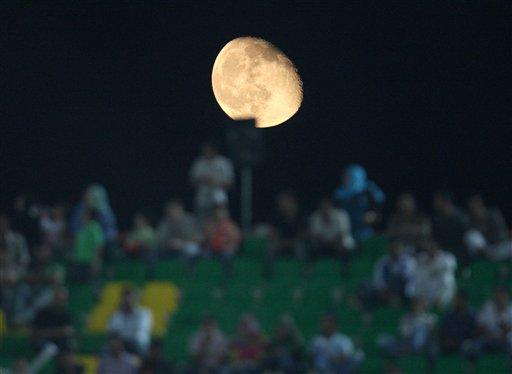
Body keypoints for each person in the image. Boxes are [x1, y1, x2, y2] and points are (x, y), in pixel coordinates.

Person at [377, 299, 437, 371]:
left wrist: (420, 326)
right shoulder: (406, 318)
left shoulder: (430, 317)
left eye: (420, 305)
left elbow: (432, 330)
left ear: (424, 306)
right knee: (383, 339)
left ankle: (413, 350)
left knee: (421, 330)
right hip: (406, 342)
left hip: (422, 345)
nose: (418, 307)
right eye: (416, 305)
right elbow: (403, 333)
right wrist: (413, 327)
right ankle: (394, 357)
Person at [13, 244, 66, 325]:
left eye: (45, 251)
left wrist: (35, 279)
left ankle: (28, 317)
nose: (43, 254)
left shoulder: (55, 266)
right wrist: (43, 279)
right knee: (22, 288)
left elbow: (54, 279)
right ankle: (19, 317)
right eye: (41, 251)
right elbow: (20, 278)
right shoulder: (30, 264)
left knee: (50, 293)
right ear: (36, 252)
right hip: (32, 291)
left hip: (47, 293)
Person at [333, 164, 385, 244]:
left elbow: (378, 209)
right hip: (346, 232)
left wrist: (374, 215)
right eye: (344, 176)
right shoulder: (339, 194)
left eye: (348, 176)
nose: (344, 179)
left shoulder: (369, 190)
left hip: (365, 231)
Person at [358, 241, 417, 309]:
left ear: (402, 249)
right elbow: (377, 279)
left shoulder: (409, 261)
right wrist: (383, 289)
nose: (395, 250)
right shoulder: (382, 261)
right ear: (389, 249)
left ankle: (395, 301)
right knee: (365, 284)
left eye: (397, 248)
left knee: (396, 277)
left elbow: (408, 277)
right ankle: (365, 312)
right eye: (393, 248)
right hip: (385, 290)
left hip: (403, 289)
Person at [308, 198, 356, 275]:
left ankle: (346, 268)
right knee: (311, 246)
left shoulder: (341, 214)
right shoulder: (315, 216)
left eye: (327, 206)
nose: (325, 208)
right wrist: (326, 241)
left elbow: (343, 233)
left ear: (332, 206)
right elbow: (315, 234)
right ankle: (309, 270)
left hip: (340, 241)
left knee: (346, 244)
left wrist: (333, 241)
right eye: (323, 206)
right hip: (323, 243)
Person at [70, 184, 118, 259]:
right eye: (89, 194)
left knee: (109, 243)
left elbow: (110, 229)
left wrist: (99, 240)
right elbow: (74, 227)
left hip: (102, 241)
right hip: (83, 240)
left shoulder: (105, 209)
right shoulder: (81, 208)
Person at [189, 142, 235, 220]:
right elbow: (192, 181)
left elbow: (231, 183)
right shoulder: (199, 162)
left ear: (214, 150)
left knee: (221, 221)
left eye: (209, 150)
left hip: (219, 199)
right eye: (205, 150)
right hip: (202, 199)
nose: (206, 152)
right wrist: (204, 180)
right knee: (202, 222)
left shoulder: (224, 162)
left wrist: (217, 183)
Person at [265, 192, 306, 277]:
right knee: (270, 248)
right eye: (282, 203)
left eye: (286, 203)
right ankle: (269, 272)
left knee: (301, 248)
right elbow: (273, 233)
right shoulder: (277, 216)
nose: (284, 205)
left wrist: (293, 242)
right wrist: (280, 242)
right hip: (281, 242)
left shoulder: (300, 215)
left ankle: (304, 271)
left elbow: (303, 234)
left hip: (295, 242)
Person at [410, 239, 457, 309]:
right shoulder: (422, 258)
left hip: (444, 291)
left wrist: (432, 263)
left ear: (436, 247)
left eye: (432, 246)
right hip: (426, 293)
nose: (430, 248)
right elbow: (418, 275)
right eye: (428, 246)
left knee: (446, 278)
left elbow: (449, 268)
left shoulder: (447, 257)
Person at [156, 200, 202, 270]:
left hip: (187, 245)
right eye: (170, 210)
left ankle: (189, 271)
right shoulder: (165, 221)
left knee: (192, 249)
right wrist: (170, 242)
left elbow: (199, 237)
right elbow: (159, 238)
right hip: (168, 247)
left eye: (175, 209)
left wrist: (182, 243)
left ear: (181, 209)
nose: (173, 212)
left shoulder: (190, 220)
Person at [108, 286, 153, 355]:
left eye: (129, 297)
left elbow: (138, 332)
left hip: (138, 344)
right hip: (120, 344)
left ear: (135, 298)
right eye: (124, 297)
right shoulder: (117, 314)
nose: (127, 300)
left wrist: (120, 336)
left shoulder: (144, 313)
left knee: (130, 345)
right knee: (106, 349)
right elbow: (111, 331)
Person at [431, 191, 470, 266]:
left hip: (462, 250)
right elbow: (436, 239)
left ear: (445, 201)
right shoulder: (437, 219)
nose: (434, 203)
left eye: (437, 200)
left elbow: (466, 235)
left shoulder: (460, 216)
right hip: (445, 251)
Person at [31, 287, 74, 351]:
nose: (60, 302)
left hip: (61, 344)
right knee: (51, 348)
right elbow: (36, 333)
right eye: (58, 299)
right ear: (53, 298)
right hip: (43, 343)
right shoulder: (42, 313)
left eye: (63, 300)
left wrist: (50, 332)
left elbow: (68, 331)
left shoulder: (67, 315)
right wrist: (59, 332)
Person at [203, 205, 241, 278]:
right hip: (212, 250)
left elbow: (237, 239)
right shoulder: (210, 225)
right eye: (218, 213)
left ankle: (229, 274)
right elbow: (206, 240)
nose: (220, 215)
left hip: (226, 250)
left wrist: (228, 245)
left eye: (222, 213)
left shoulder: (231, 226)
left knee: (228, 254)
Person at [438, 290, 478, 354]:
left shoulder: (472, 315)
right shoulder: (449, 315)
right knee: (435, 348)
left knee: (468, 346)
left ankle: (469, 364)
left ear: (465, 301)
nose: (456, 302)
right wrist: (447, 339)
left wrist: (458, 340)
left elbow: (473, 332)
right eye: (455, 299)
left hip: (465, 342)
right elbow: (442, 331)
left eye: (459, 299)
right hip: (449, 342)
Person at [70, 209, 105, 282]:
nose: (82, 216)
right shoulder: (83, 227)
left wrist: (95, 261)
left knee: (88, 284)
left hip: (88, 262)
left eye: (84, 214)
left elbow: (99, 245)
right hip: (79, 260)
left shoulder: (94, 227)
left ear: (89, 216)